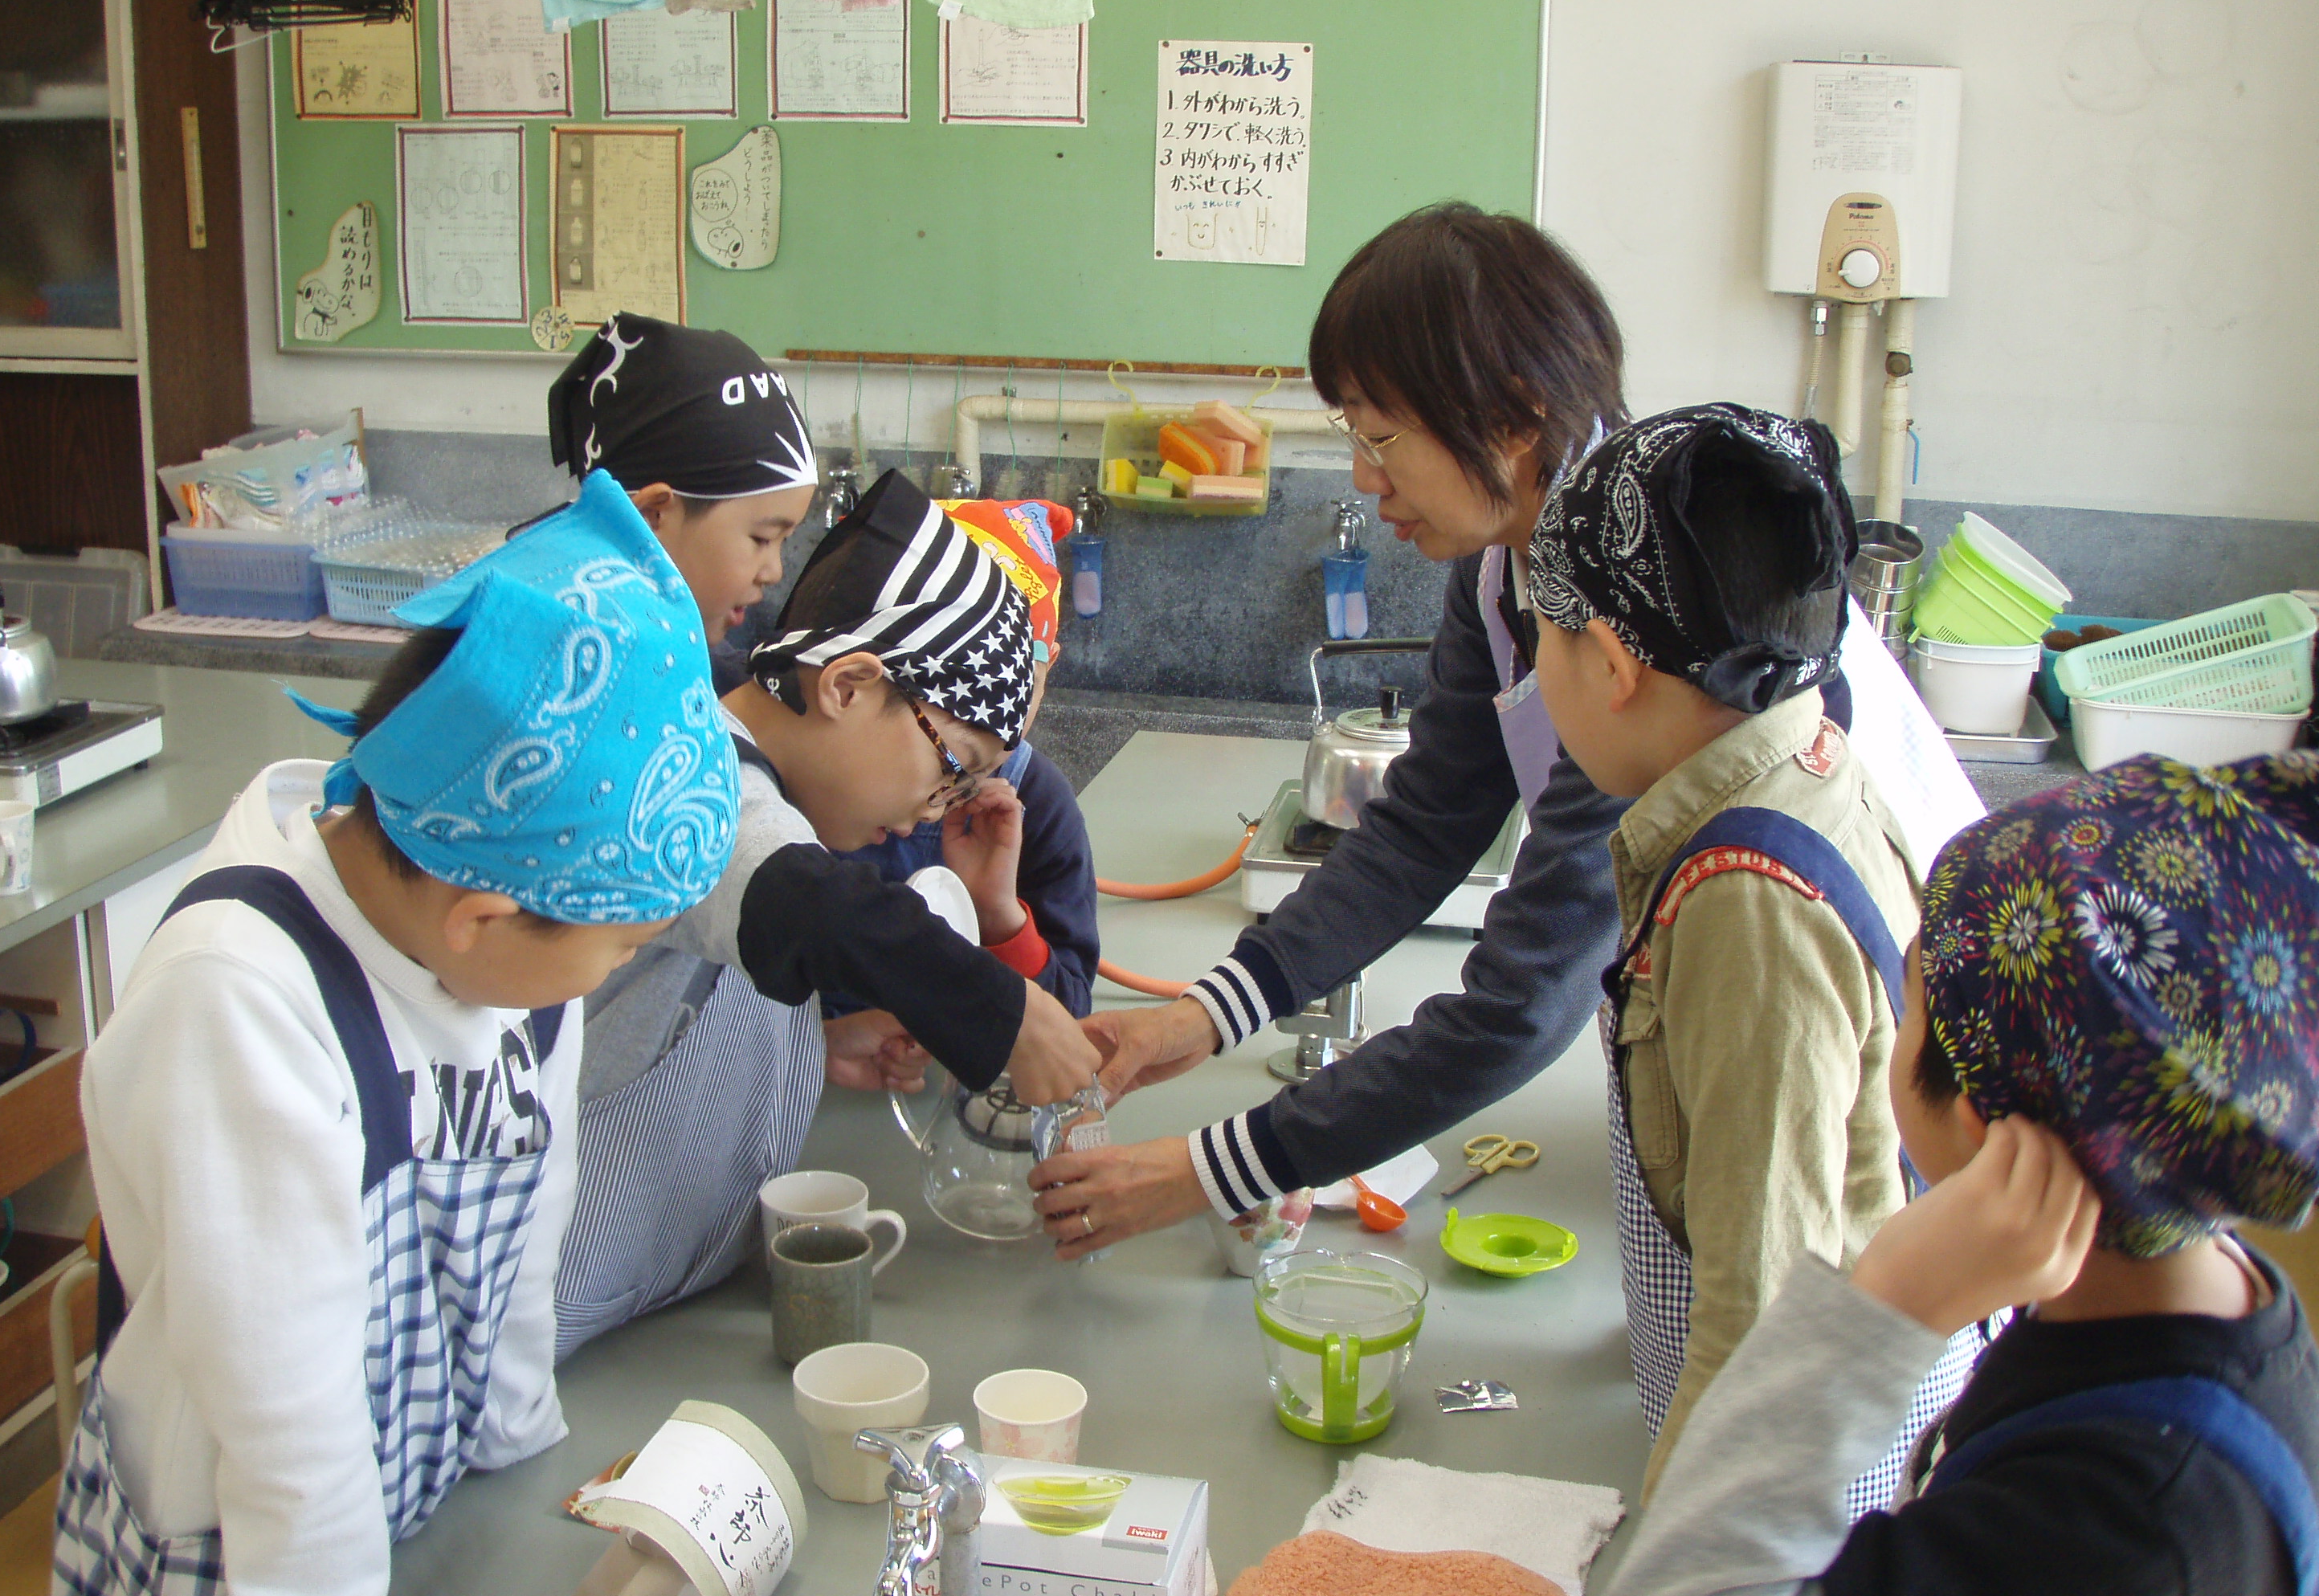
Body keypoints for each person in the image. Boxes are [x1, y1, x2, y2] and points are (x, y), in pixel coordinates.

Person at [1031, 202, 1980, 1263]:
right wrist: (1207, 1013)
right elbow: (1426, 823)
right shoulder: (1510, 567)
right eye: (1352, 435)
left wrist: (1213, 1169)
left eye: (1380, 436)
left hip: (1894, 1083)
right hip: (1711, 1026)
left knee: (1790, 1293)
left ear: (1514, 419)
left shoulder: (1650, 623)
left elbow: (1520, 1005)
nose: (1363, 477)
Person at [50, 500, 739, 1596]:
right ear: (481, 917)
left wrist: (519, 1441)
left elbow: (532, 1213)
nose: (619, 974)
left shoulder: (507, 948)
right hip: (243, 1576)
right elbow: (278, 1395)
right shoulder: (241, 1002)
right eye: (624, 951)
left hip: (415, 1512)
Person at [1574, 751, 2319, 1596]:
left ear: (1977, 1118)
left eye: (1910, 997)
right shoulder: (2189, 1284)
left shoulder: (2126, 1517)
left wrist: (1887, 1306)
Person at [1524, 402, 1978, 1509]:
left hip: (1806, 1471)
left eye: (1544, 637)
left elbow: (1763, 1324)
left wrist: (1676, 1573)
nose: (1537, 672)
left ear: (1613, 663)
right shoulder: (1802, 758)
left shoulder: (1748, 905)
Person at [543, 455, 1104, 1350]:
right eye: (948, 767)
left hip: (662, 1304)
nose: (936, 810)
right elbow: (806, 904)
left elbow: (709, 964)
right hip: (545, 1310)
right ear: (847, 685)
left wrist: (817, 1040)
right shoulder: (685, 772)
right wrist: (1010, 1015)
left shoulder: (783, 802)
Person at [840, 493, 1099, 1018]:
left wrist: (997, 915)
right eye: (953, 688)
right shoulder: (790, 783)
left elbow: (1067, 1015)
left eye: (1019, 684)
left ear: (1048, 669)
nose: (991, 711)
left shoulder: (1039, 804)